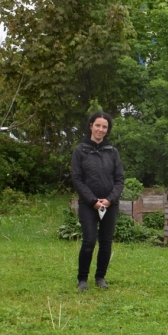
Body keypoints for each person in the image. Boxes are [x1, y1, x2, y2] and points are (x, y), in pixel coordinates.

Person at [71, 112, 125, 292]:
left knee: (106, 242)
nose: (100, 129)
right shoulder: (80, 151)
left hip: (110, 205)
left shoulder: (113, 152)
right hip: (89, 204)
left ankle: (100, 277)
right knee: (89, 241)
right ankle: (82, 280)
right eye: (98, 125)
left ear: (107, 130)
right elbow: (77, 179)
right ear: (91, 126)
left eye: (104, 127)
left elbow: (119, 180)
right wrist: (93, 201)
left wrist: (109, 200)